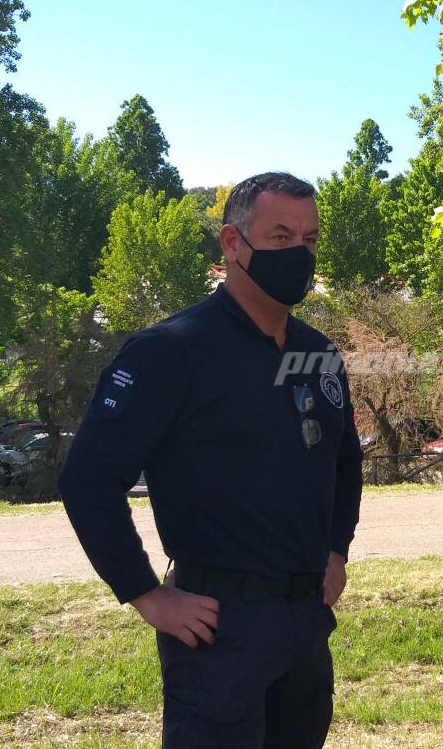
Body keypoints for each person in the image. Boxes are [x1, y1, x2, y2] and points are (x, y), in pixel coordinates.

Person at [60, 171, 363, 748]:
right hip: (217, 624)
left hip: (304, 620)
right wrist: (145, 593)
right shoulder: (172, 351)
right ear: (232, 243)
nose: (299, 253)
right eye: (279, 238)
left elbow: (344, 463)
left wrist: (336, 549)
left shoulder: (317, 354)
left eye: (310, 240)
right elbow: (88, 479)